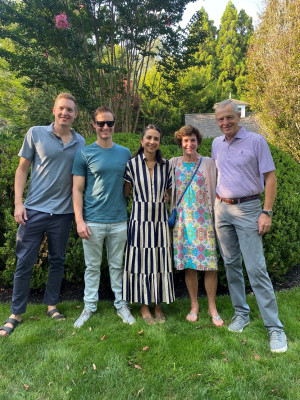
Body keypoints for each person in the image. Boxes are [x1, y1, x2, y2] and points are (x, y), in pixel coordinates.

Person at [0, 93, 85, 337]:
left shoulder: (80, 142)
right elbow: (22, 169)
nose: (65, 113)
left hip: (63, 213)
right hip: (34, 210)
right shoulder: (35, 133)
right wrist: (18, 203)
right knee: (25, 260)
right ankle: (16, 313)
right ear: (54, 110)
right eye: (61, 109)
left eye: (70, 110)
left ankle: (51, 305)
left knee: (57, 261)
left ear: (75, 114)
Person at [212, 100, 287, 352]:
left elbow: (270, 177)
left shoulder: (257, 141)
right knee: (231, 265)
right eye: (220, 119)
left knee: (256, 269)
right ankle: (241, 313)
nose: (225, 123)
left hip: (249, 209)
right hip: (222, 209)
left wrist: (266, 212)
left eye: (229, 118)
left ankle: (275, 328)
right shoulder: (216, 144)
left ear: (238, 117)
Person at [72, 106, 135, 328]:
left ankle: (121, 304)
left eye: (109, 123)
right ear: (94, 125)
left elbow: (128, 185)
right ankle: (89, 305)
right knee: (92, 267)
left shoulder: (125, 153)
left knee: (118, 266)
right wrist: (79, 220)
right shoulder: (84, 154)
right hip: (92, 221)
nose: (105, 127)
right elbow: (77, 190)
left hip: (118, 220)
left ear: (114, 125)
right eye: (101, 123)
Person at [170, 125, 223, 327]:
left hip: (205, 221)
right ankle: (194, 305)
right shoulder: (173, 163)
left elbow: (220, 184)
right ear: (180, 143)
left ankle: (212, 306)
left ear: (198, 142)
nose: (189, 144)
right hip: (183, 224)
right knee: (189, 266)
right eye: (185, 140)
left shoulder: (208, 163)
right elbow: (166, 188)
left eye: (193, 140)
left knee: (210, 267)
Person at [122, 125, 175, 324]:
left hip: (160, 221)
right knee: (141, 262)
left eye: (156, 138)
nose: (152, 142)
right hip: (139, 219)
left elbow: (171, 191)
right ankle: (144, 306)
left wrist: (167, 196)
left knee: (160, 261)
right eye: (149, 138)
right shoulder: (132, 165)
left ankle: (158, 305)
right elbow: (125, 193)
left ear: (159, 142)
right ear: (142, 140)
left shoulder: (166, 165)